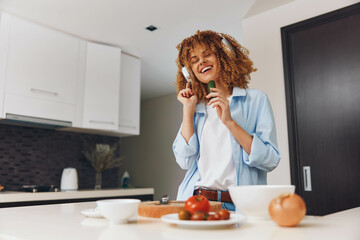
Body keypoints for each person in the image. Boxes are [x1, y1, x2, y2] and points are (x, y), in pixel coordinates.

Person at [172, 30, 281, 211]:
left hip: (240, 206)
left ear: (222, 57)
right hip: (197, 204)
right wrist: (188, 109)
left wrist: (230, 122)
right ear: (190, 73)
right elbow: (183, 161)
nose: (202, 62)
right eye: (194, 60)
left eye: (207, 55)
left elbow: (270, 160)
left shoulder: (256, 100)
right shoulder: (196, 108)